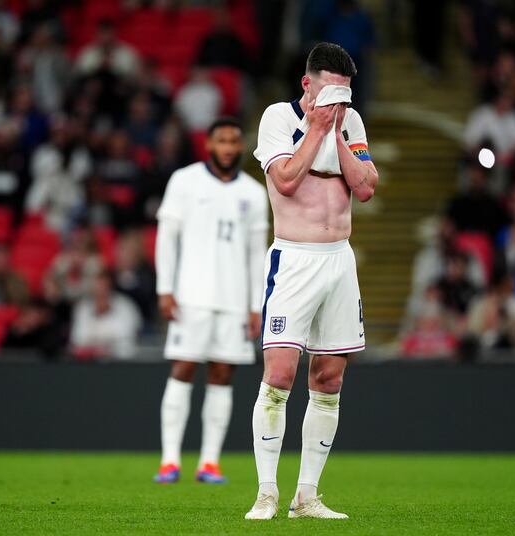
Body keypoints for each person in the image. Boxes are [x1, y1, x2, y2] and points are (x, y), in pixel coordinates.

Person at [246, 42, 378, 520]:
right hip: (295, 259)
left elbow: (365, 186)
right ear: (308, 83)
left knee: (329, 378)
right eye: (329, 91)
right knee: (279, 376)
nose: (337, 101)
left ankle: (307, 495)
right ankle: (266, 493)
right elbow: (284, 179)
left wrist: (338, 132)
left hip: (339, 261)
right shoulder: (278, 118)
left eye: (345, 93)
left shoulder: (352, 121)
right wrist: (317, 127)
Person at [153, 118, 269, 485]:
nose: (229, 148)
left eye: (235, 141)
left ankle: (209, 462)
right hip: (191, 296)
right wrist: (164, 288)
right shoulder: (184, 181)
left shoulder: (253, 192)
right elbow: (166, 239)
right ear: (209, 144)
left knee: (223, 374)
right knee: (184, 368)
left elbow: (256, 254)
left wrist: (256, 304)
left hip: (234, 300)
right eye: (222, 141)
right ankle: (170, 460)